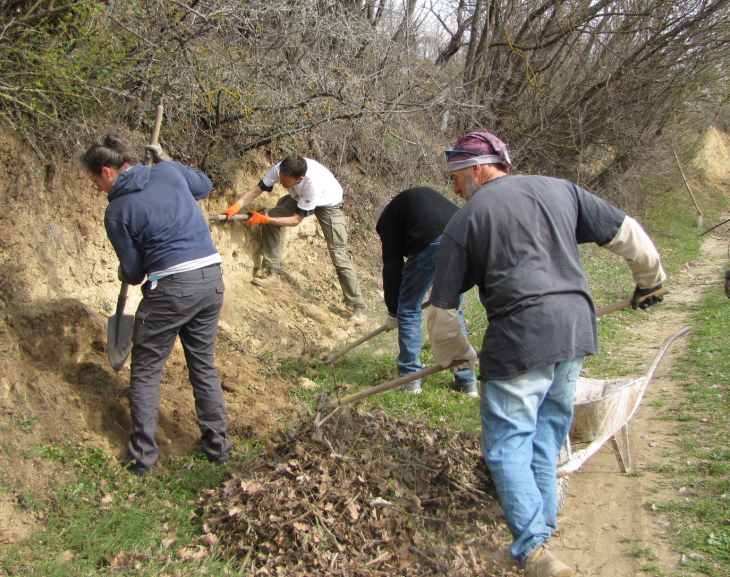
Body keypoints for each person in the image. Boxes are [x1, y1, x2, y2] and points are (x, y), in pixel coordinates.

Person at [426, 132, 666, 577]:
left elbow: (442, 308)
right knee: (547, 435)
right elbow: (624, 230)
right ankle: (544, 538)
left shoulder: (466, 220)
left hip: (520, 336)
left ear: (479, 169)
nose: (454, 189)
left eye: (457, 178)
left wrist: (455, 355)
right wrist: (649, 279)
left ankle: (534, 550)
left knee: (507, 444)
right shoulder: (560, 189)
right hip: (574, 328)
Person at [80, 134, 232, 475]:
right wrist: (167, 161)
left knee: (147, 371)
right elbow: (204, 185)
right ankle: (218, 447)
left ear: (106, 171)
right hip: (211, 278)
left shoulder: (117, 211)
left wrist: (126, 264)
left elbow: (133, 274)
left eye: (95, 182)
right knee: (203, 365)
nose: (98, 190)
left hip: (171, 289)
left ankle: (142, 457)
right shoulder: (167, 172)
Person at [221, 154, 367, 325]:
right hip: (300, 197)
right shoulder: (281, 169)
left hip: (328, 204)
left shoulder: (312, 185)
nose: (281, 184)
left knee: (337, 254)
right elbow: (256, 190)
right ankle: (273, 275)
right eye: (281, 179)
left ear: (300, 179)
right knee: (271, 216)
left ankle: (359, 308)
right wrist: (235, 206)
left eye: (286, 182)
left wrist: (264, 219)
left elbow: (296, 220)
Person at [375, 187, 478, 395]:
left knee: (409, 309)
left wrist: (394, 311)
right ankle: (467, 383)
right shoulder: (416, 202)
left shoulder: (389, 218)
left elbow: (392, 265)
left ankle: (410, 379)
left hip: (433, 242)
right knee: (451, 309)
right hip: (465, 241)